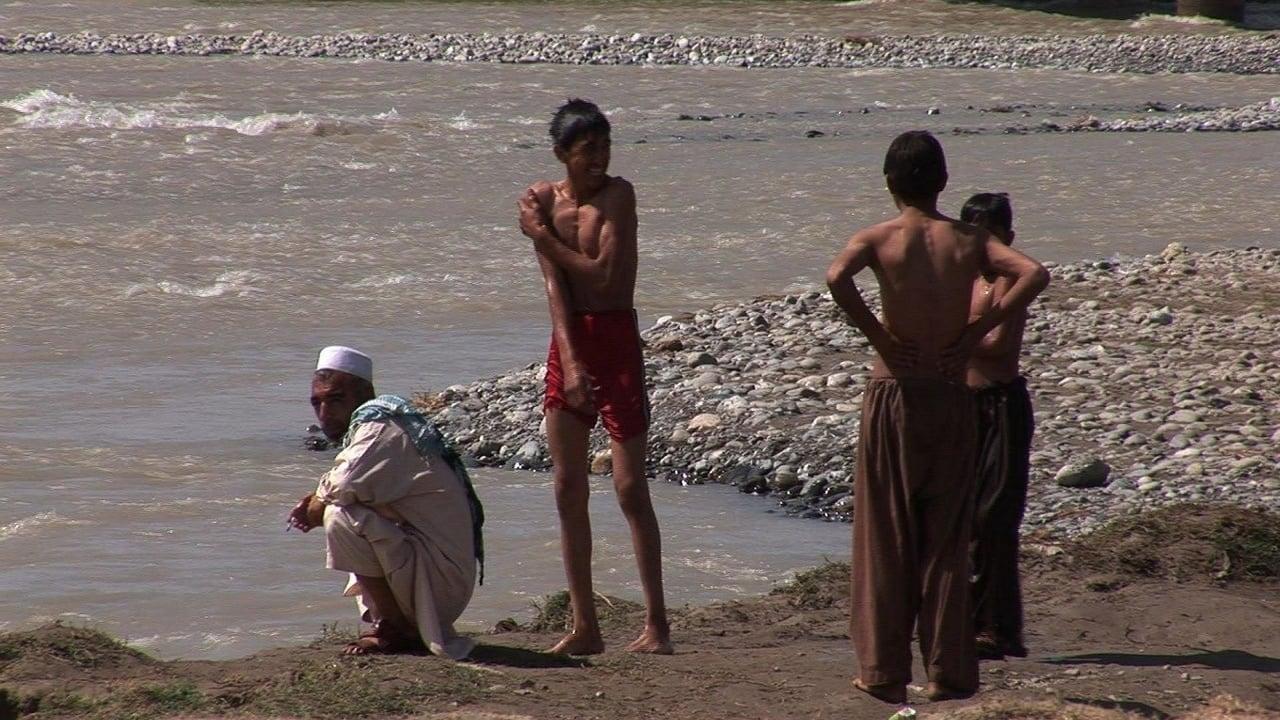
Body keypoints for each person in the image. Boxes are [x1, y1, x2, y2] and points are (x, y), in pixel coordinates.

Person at [825, 131, 1049, 703]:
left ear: (889, 183)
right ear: (943, 182)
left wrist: (878, 334)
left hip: (894, 390)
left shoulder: (879, 237)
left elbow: (835, 278)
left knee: (885, 531)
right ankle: (948, 671)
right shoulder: (968, 240)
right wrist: (972, 333)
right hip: (950, 391)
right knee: (947, 535)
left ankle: (881, 670)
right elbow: (1033, 273)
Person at [515, 98, 671, 655]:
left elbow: (605, 277)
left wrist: (540, 237)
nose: (599, 159)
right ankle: (585, 625)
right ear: (562, 154)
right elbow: (555, 286)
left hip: (617, 339)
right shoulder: (542, 200)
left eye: (604, 147)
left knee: (630, 488)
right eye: (587, 151)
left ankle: (657, 624)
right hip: (569, 342)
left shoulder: (619, 197)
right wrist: (571, 360)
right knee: (566, 486)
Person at [288, 345, 485, 659]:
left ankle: (392, 626)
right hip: (434, 575)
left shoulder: (382, 430)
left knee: (339, 514)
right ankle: (396, 621)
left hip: (440, 585)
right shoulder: (383, 424)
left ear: (364, 394)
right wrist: (319, 500)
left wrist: (315, 504)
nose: (325, 414)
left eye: (335, 399)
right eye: (317, 403)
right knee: (344, 508)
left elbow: (341, 486)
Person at [961, 193, 1035, 660]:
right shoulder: (962, 279)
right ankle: (967, 621)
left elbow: (996, 343)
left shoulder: (1012, 280)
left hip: (1000, 404)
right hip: (960, 405)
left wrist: (943, 334)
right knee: (963, 518)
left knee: (994, 518)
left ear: (1008, 238)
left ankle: (1001, 629)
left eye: (991, 237)